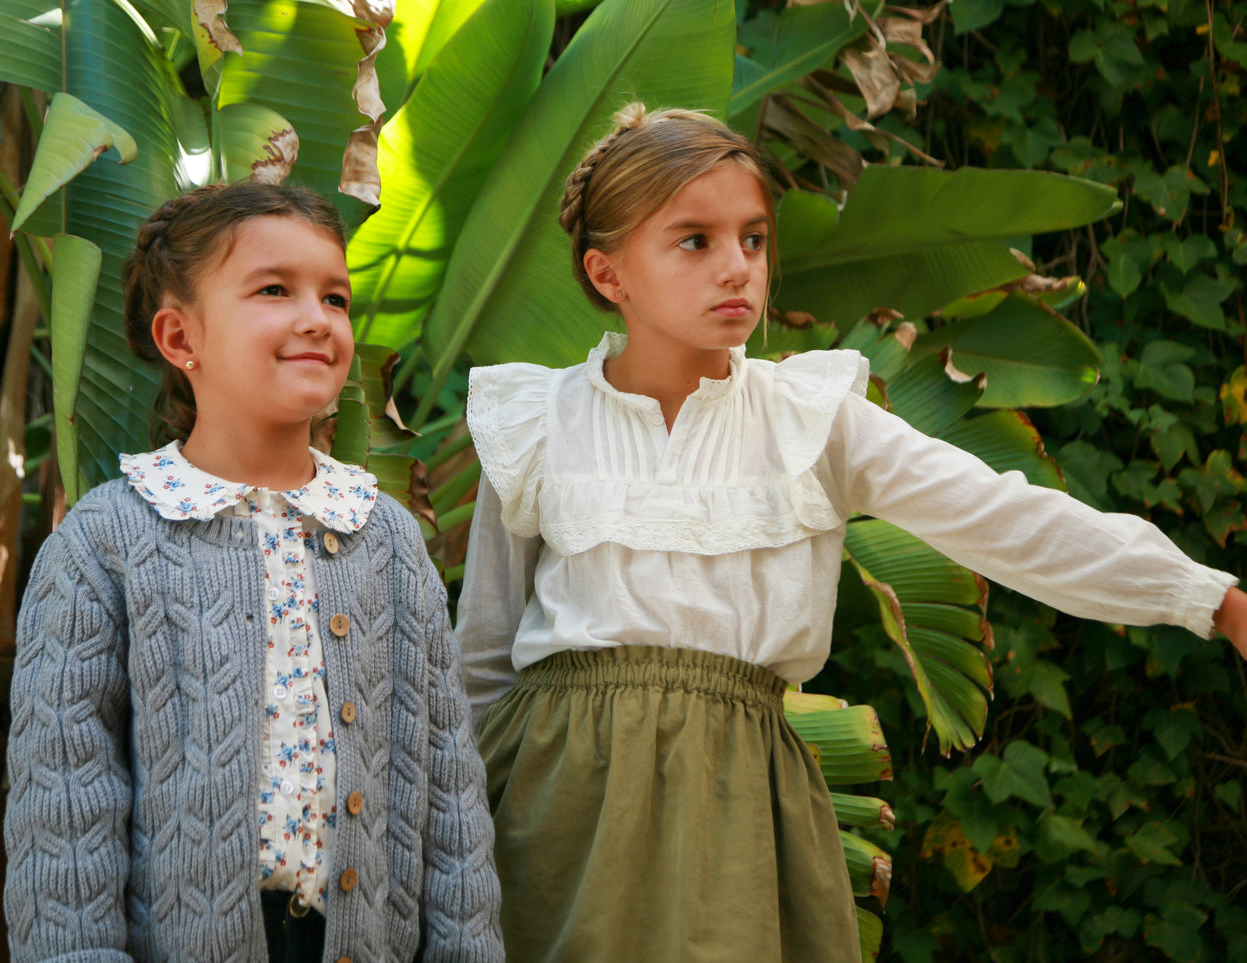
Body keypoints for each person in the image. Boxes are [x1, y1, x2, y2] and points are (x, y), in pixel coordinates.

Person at [456, 103, 1247, 963]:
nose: (737, 269)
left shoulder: (813, 420)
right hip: (552, 808)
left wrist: (1211, 600)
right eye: (694, 241)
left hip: (739, 804)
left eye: (753, 240)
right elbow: (482, 661)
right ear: (608, 274)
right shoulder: (534, 420)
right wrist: (449, 858)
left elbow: (1003, 515)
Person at [4, 181, 504, 963]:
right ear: (179, 338)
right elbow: (64, 817)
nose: (316, 317)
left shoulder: (386, 538)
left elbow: (449, 796)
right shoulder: (106, 542)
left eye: (334, 297)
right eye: (275, 289)